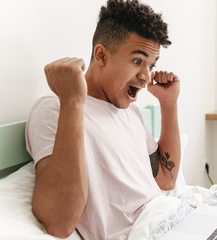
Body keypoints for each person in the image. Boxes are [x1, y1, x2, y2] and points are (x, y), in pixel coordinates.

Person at [25, 0, 181, 239]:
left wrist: (168, 104)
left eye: (151, 65)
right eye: (138, 61)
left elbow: (166, 180)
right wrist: (72, 101)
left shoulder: (130, 111)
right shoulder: (55, 108)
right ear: (101, 55)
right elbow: (59, 223)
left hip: (172, 218)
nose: (146, 76)